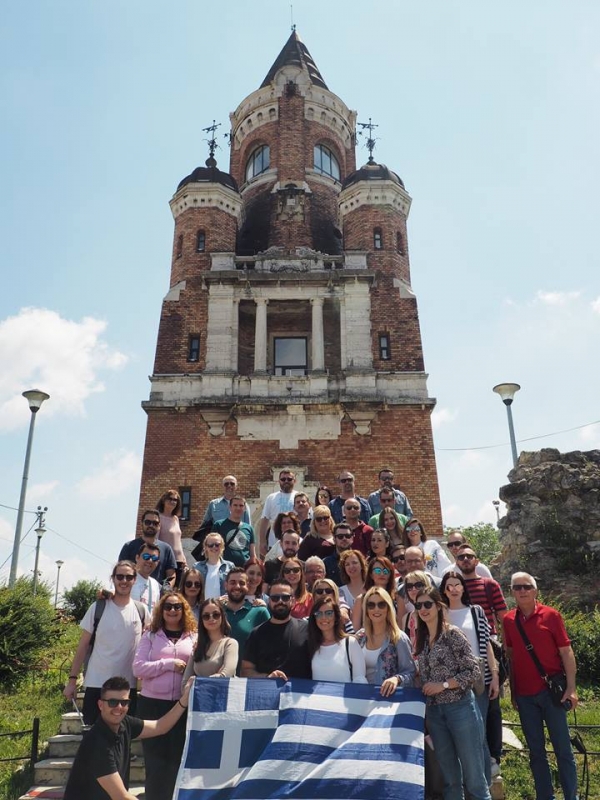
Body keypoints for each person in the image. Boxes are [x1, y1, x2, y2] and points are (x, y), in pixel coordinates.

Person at [503, 572, 579, 800]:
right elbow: (512, 657)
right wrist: (513, 692)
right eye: (517, 587)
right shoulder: (508, 620)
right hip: (525, 696)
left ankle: (571, 797)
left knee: (563, 750)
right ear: (512, 592)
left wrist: (572, 688)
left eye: (526, 586)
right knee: (536, 752)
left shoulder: (551, 615)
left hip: (551, 693)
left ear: (535, 590)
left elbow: (566, 652)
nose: (522, 591)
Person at [413, 586, 491, 800]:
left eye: (428, 604)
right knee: (450, 779)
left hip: (460, 708)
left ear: (439, 606)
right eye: (418, 605)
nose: (423, 609)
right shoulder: (422, 639)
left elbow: (473, 670)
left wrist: (444, 685)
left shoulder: (452, 634)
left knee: (474, 777)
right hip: (435, 712)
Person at [63, 675, 193, 800]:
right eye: (113, 702)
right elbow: (121, 797)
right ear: (100, 705)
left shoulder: (125, 723)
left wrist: (184, 700)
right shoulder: (97, 744)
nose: (119, 707)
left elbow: (160, 727)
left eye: (124, 702)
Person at [64, 560, 148, 725]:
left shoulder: (141, 610)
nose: (124, 581)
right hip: (97, 685)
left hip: (127, 687)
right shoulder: (97, 608)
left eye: (128, 577)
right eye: (120, 576)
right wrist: (72, 681)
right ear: (113, 578)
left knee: (124, 737)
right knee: (93, 736)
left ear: (134, 580)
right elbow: (83, 646)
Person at [133, 592, 197, 800]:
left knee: (178, 761)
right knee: (155, 762)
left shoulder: (194, 636)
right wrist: (167, 664)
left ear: (184, 610)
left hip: (181, 705)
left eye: (177, 606)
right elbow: (138, 668)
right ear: (161, 610)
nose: (172, 610)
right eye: (168, 606)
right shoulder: (150, 635)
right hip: (152, 705)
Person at [440, 570, 500, 786]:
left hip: (478, 678)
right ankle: (467, 784)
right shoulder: (440, 613)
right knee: (459, 734)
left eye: (457, 584)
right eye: (449, 586)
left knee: (478, 732)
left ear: (463, 588)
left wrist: (494, 675)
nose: (454, 589)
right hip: (451, 681)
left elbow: (487, 645)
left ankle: (484, 783)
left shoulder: (476, 611)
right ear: (444, 590)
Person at [454, 543, 507, 775]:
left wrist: (506, 646)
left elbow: (502, 616)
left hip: (488, 646)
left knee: (492, 707)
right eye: (461, 557)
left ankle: (494, 755)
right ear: (456, 562)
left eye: (469, 556)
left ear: (477, 561)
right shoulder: (453, 587)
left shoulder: (489, 584)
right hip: (461, 654)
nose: (465, 559)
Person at [241, 580, 311, 679]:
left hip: (300, 688)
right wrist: (267, 677)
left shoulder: (307, 629)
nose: (280, 601)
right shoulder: (256, 634)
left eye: (285, 597)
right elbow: (245, 671)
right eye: (275, 598)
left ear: (293, 600)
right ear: (269, 601)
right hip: (268, 688)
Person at [355, 587, 415, 695]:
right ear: (366, 610)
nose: (376, 609)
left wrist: (396, 679)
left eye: (381, 604)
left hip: (387, 699)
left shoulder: (399, 638)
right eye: (371, 605)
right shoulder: (359, 637)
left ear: (388, 608)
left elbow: (410, 673)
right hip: (360, 697)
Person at [308, 596, 367, 683]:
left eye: (329, 613)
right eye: (319, 614)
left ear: (336, 617)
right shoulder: (310, 644)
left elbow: (359, 679)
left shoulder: (350, 643)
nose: (324, 617)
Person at [182, 598, 238, 681]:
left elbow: (227, 674)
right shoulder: (197, 646)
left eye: (216, 615)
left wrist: (198, 681)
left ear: (222, 616)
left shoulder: (230, 644)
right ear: (201, 620)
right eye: (206, 616)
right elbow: (185, 682)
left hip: (221, 689)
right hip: (199, 689)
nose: (211, 619)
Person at [119, 510, 177, 588]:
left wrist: (165, 589)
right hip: (132, 591)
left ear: (159, 526)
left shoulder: (166, 549)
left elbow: (171, 575)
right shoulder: (129, 546)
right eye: (148, 522)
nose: (151, 525)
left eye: (155, 523)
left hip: (156, 593)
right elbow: (120, 571)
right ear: (141, 524)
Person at [222, 567, 271, 661]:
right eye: (232, 582)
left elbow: (270, 646)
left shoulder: (260, 612)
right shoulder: (216, 613)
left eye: (241, 583)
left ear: (247, 586)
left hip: (248, 670)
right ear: (225, 585)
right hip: (219, 670)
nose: (237, 586)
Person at [258, 469, 298, 556]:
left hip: (294, 544)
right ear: (279, 481)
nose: (286, 481)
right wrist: (262, 542)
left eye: (289, 479)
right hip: (274, 543)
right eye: (283, 479)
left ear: (295, 481)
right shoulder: (271, 497)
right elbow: (265, 520)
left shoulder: (299, 497)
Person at [352, 556, 398, 631]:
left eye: (386, 571)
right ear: (371, 574)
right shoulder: (361, 600)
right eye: (377, 571)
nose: (382, 574)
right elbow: (355, 630)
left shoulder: (397, 598)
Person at [211, 494, 256, 566]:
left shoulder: (249, 528)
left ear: (244, 508)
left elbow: (253, 555)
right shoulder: (219, 525)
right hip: (225, 568)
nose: (238, 508)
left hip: (244, 569)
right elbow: (213, 549)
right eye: (235, 505)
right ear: (230, 507)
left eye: (241, 506)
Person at [156, 488, 187, 579]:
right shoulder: (158, 517)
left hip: (179, 561)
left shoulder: (176, 519)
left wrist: (184, 559)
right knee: (166, 585)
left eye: (175, 500)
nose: (173, 502)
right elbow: (156, 540)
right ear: (163, 500)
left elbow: (178, 541)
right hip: (166, 560)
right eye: (170, 499)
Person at [193, 532, 235, 597]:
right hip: (203, 603)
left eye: (217, 545)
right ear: (205, 547)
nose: (214, 547)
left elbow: (234, 587)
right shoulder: (197, 567)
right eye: (210, 545)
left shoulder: (230, 566)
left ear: (222, 546)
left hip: (224, 603)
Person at [400, 570, 434, 646]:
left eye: (418, 585)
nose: (414, 589)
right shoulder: (406, 618)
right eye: (409, 586)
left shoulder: (436, 612)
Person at [131, 542, 162, 614]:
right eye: (146, 556)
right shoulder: (127, 578)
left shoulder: (155, 585)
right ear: (137, 558)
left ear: (157, 562)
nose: (150, 560)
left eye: (154, 558)